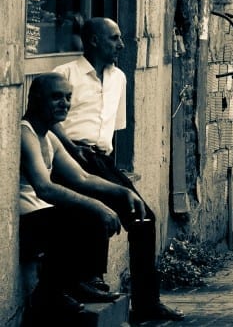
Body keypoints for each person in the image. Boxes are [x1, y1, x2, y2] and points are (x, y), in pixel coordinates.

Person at [52, 17, 184, 323]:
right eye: (114, 38)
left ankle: (147, 303)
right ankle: (89, 280)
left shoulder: (119, 78)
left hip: (101, 159)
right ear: (94, 40)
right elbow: (47, 119)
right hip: (69, 156)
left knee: (144, 217)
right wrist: (71, 151)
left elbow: (114, 129)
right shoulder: (65, 73)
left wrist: (112, 168)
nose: (121, 45)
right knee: (97, 213)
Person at [20, 73, 145, 321]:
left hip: (41, 214)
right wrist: (97, 206)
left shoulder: (50, 137)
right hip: (26, 220)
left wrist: (124, 191)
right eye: (56, 97)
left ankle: (84, 281)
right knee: (88, 214)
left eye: (68, 98)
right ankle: (52, 294)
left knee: (97, 209)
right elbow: (44, 188)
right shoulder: (25, 134)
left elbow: (82, 178)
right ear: (35, 99)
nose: (64, 104)